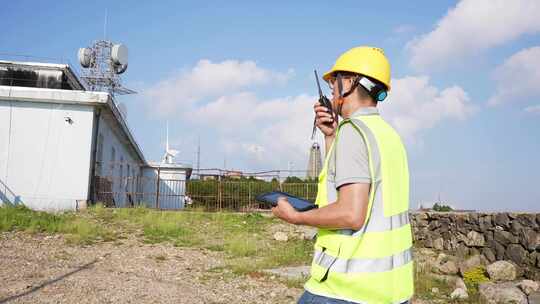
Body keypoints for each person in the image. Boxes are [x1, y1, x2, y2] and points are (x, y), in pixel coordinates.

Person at [272, 46, 413, 304]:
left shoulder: (354, 132)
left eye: (333, 83)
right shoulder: (387, 135)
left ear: (349, 82)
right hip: (392, 292)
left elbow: (351, 213)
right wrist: (331, 136)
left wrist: (294, 217)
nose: (332, 92)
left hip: (345, 290)